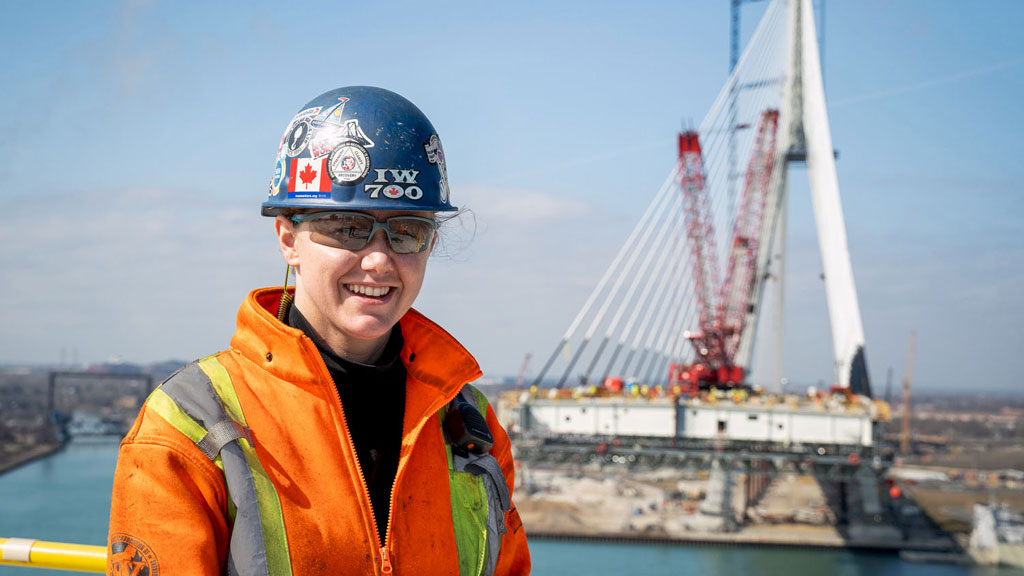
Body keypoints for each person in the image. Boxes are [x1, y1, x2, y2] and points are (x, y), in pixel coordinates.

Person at [107, 86, 531, 576]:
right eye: (348, 228)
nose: (378, 260)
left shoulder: (468, 423)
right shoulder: (191, 424)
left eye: (408, 230)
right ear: (288, 238)